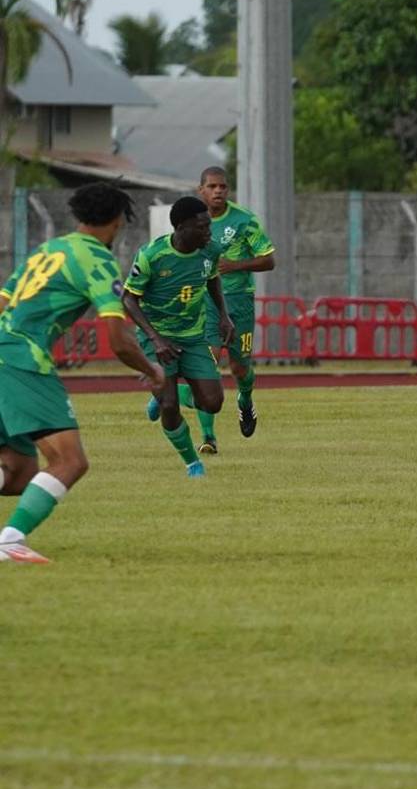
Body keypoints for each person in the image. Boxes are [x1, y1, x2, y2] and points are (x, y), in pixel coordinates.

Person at [0, 183, 166, 565]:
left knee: (19, 472)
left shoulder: (48, 249)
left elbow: (4, 300)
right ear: (117, 222)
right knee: (70, 461)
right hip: (21, 358)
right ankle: (10, 540)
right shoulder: (96, 260)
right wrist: (152, 370)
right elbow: (119, 339)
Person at [147, 167, 275, 454]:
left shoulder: (244, 221)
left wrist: (236, 265)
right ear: (200, 190)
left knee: (239, 367)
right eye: (212, 186)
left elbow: (269, 260)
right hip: (203, 303)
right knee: (208, 368)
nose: (218, 191)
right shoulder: (191, 222)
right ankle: (208, 438)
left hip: (239, 301)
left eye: (223, 187)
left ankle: (244, 400)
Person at [124, 197, 235, 478]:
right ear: (182, 227)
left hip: (193, 337)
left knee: (213, 403)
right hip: (157, 338)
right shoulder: (151, 255)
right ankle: (192, 464)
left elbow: (212, 280)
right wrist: (156, 339)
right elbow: (128, 300)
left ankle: (173, 391)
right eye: (203, 227)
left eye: (210, 225)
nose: (209, 232)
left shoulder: (210, 251)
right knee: (170, 407)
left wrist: (224, 315)